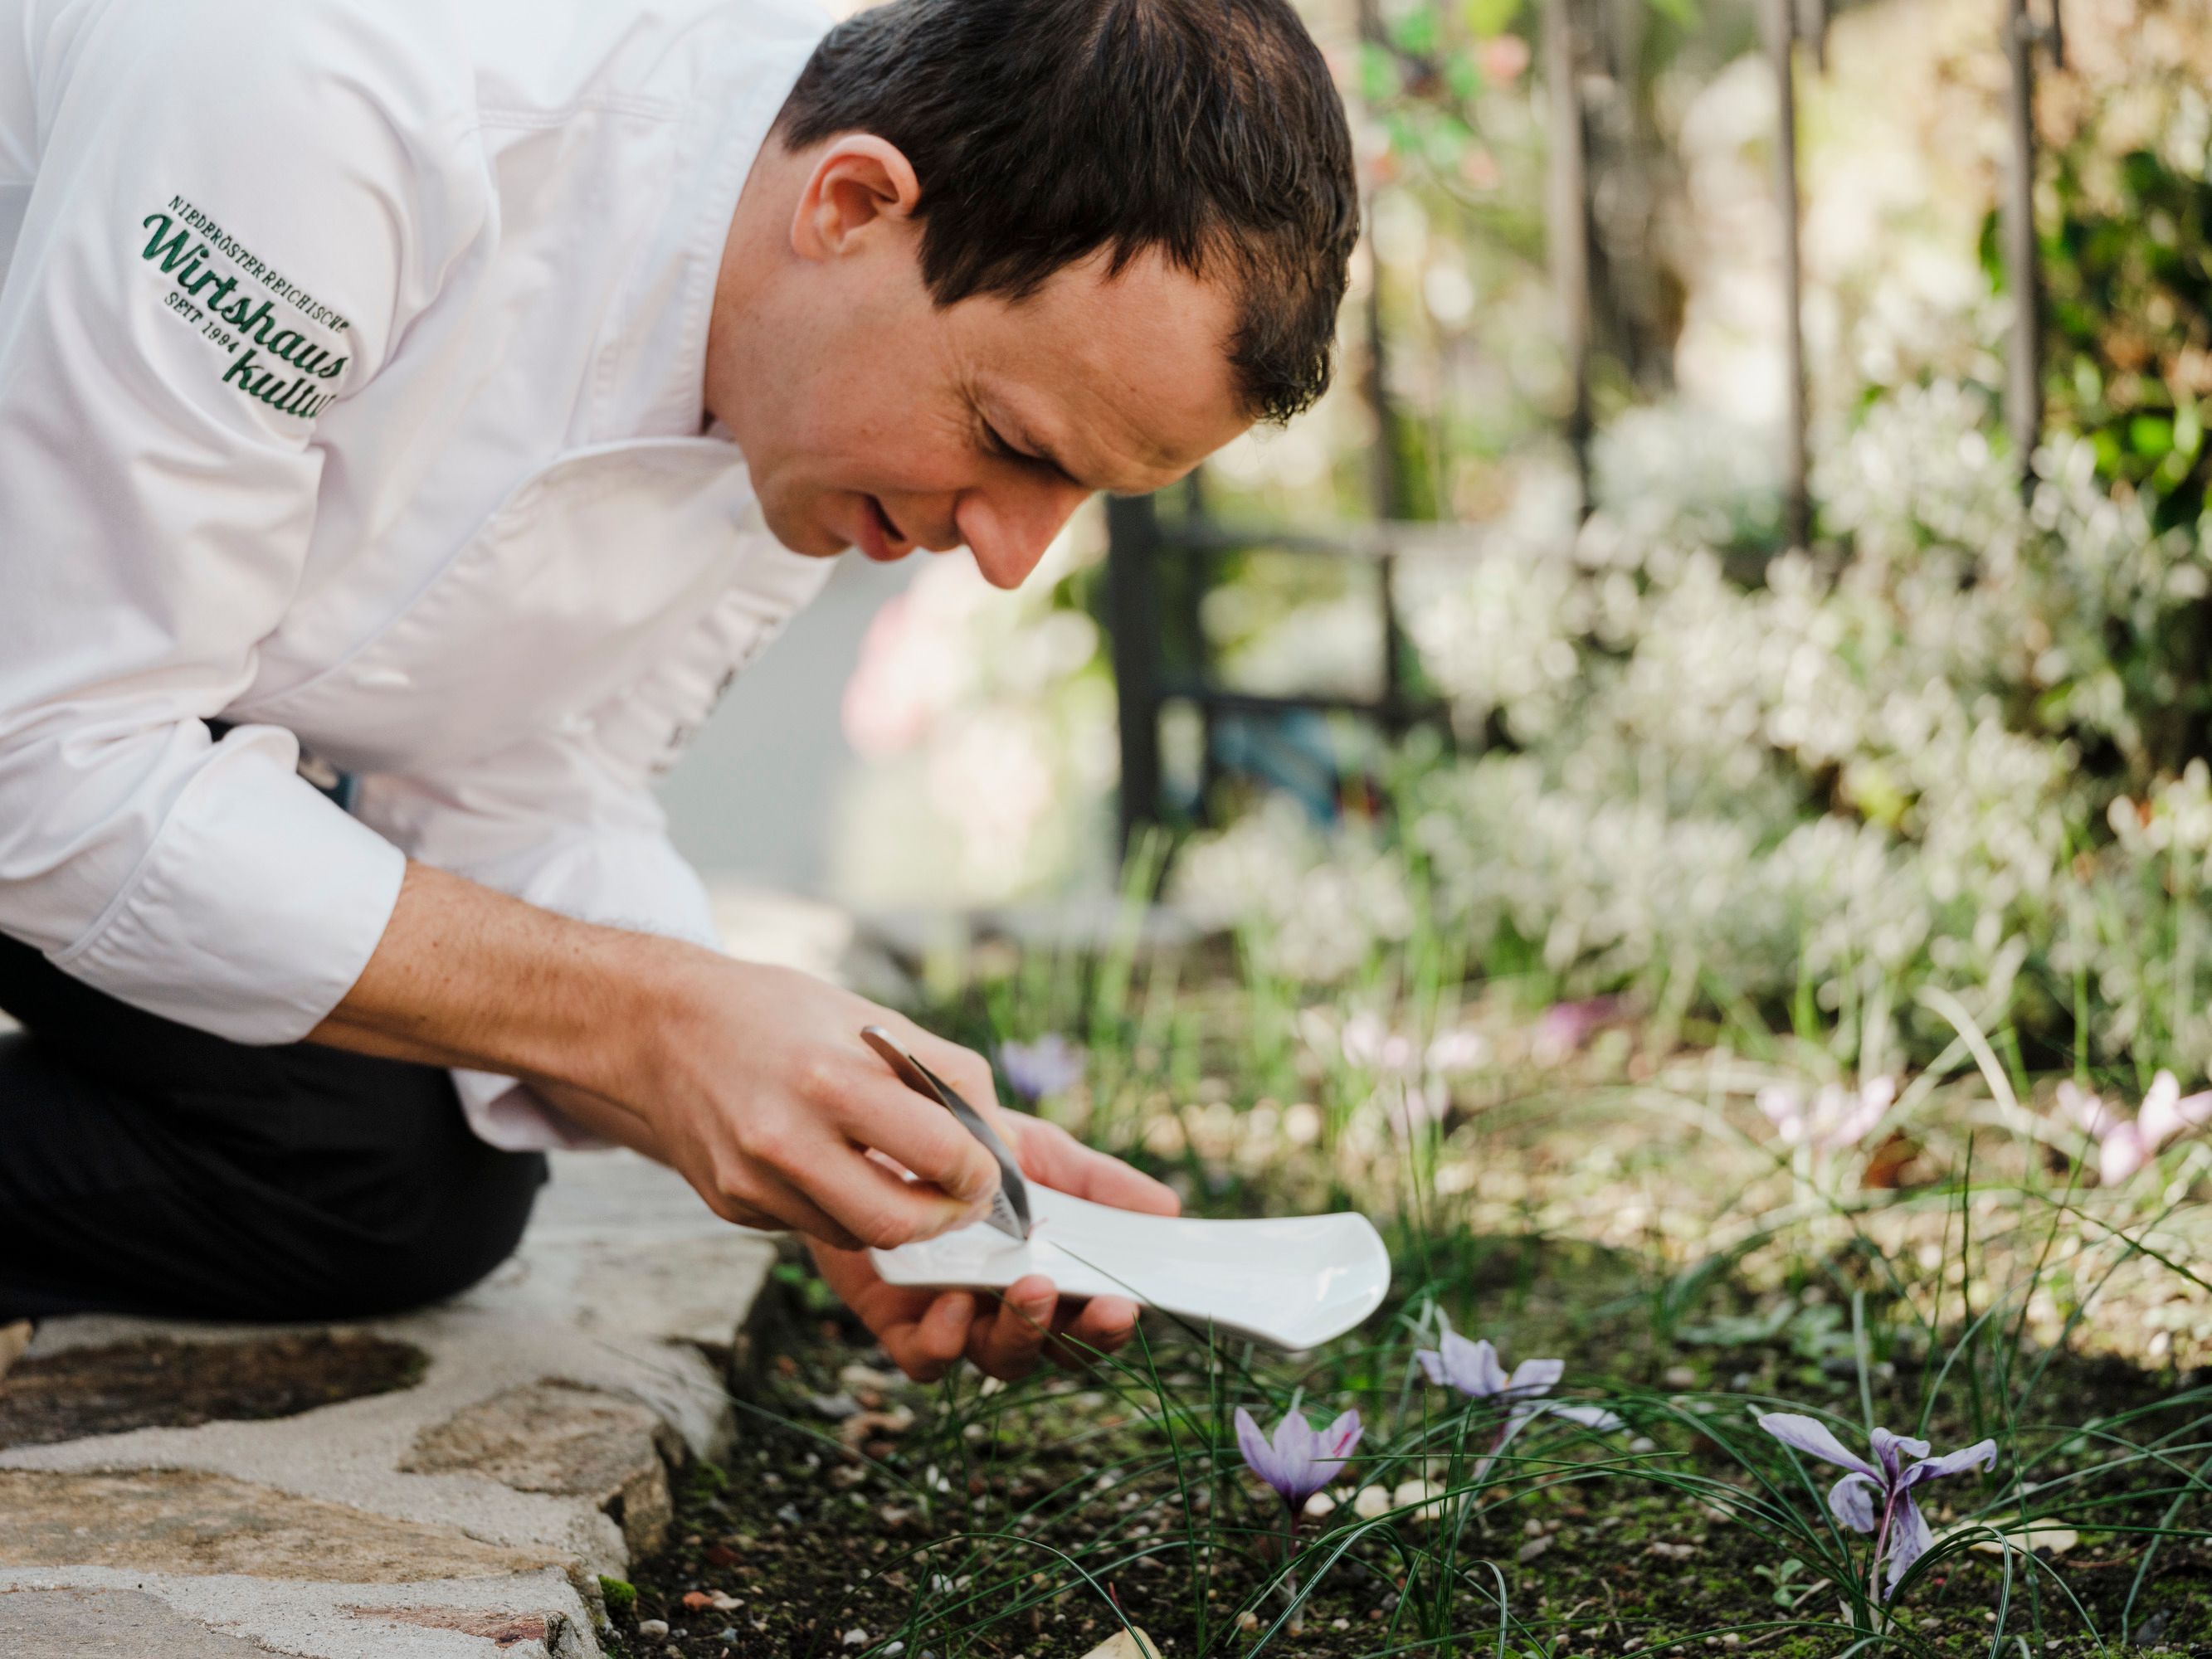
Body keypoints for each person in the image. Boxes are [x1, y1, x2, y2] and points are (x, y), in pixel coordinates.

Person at [0, 0, 1356, 1380]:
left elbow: (522, 780)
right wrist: (648, 1023)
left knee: (384, 1183)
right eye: (1011, 443)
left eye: (1085, 498)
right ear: (850, 203)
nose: (1010, 558)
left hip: (118, 679)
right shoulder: (329, 90)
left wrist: (823, 1116)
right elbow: (46, 755)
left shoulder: (815, 398)